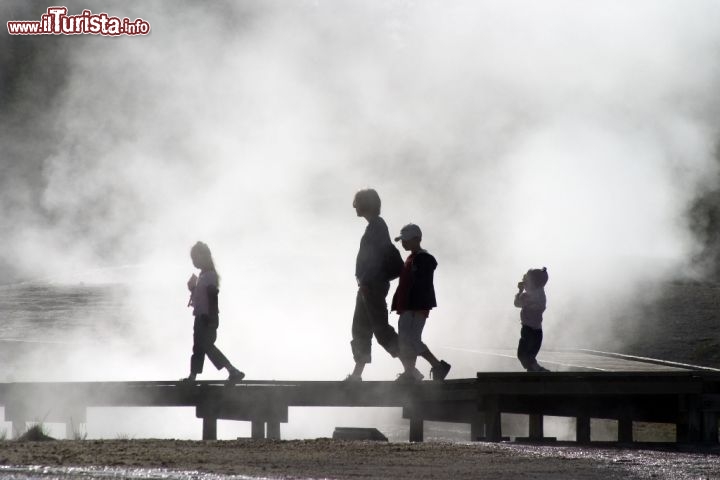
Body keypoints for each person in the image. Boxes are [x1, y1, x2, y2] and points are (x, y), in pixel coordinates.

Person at [345, 188, 401, 381]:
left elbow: (376, 257)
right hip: (367, 286)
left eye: (357, 203)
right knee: (361, 329)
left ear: (366, 204)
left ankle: (412, 370)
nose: (354, 207)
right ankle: (356, 375)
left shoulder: (377, 225)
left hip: (372, 285)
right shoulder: (374, 226)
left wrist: (367, 281)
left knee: (381, 330)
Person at [390, 223, 451, 382]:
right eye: (403, 240)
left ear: (417, 239)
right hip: (407, 306)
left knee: (411, 339)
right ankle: (411, 373)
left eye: (407, 240)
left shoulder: (423, 258)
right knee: (406, 340)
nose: (403, 243)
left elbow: (422, 284)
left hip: (415, 307)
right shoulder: (412, 258)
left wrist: (419, 306)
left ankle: (436, 366)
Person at [181, 241, 245, 383]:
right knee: (200, 346)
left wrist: (212, 318)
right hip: (200, 316)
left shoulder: (209, 275)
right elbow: (201, 298)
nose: (194, 261)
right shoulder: (203, 275)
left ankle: (232, 371)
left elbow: (212, 297)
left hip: (206, 317)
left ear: (202, 257)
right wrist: (192, 289)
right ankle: (194, 376)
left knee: (205, 346)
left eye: (195, 258)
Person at [514, 267, 550, 372]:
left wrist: (520, 290)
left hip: (528, 330)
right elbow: (540, 280)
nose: (525, 284)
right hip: (538, 331)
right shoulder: (540, 294)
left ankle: (537, 370)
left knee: (522, 355)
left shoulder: (529, 296)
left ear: (534, 283)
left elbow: (516, 303)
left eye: (527, 282)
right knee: (530, 357)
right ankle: (536, 370)